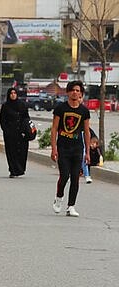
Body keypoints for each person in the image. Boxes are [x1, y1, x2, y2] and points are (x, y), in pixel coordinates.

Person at [51, 80, 91, 217]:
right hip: (63, 147)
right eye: (73, 90)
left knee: (75, 177)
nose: (75, 92)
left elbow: (86, 132)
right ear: (68, 92)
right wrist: (54, 148)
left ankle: (71, 206)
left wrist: (88, 153)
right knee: (64, 176)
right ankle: (58, 198)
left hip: (77, 148)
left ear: (81, 93)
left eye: (78, 90)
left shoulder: (84, 111)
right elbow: (54, 128)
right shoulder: (61, 108)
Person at [0, 87, 31, 178]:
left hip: (21, 133)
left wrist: (25, 130)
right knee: (11, 152)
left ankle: (20, 169)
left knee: (21, 151)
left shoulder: (22, 105)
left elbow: (26, 118)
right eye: (11, 93)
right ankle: (12, 170)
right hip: (10, 133)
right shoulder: (5, 106)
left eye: (14, 93)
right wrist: (6, 131)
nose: (13, 95)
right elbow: (2, 120)